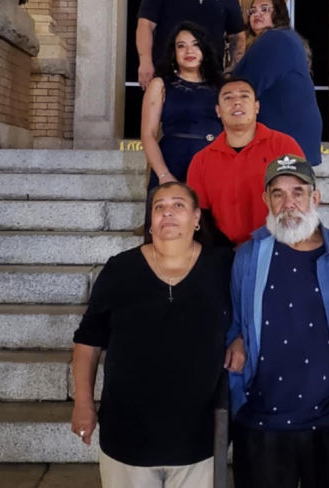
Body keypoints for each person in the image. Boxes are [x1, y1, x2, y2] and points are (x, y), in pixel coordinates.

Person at [224, 154, 329, 488]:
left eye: (298, 192)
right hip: (261, 427)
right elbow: (236, 328)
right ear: (265, 200)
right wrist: (239, 406)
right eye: (278, 193)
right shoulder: (249, 257)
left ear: (315, 197)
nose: (288, 203)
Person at [71, 182, 234, 488]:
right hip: (127, 436)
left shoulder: (223, 266)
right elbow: (88, 340)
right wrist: (83, 402)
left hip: (197, 440)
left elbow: (248, 320)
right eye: (159, 207)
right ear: (150, 220)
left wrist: (239, 340)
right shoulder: (120, 269)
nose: (167, 213)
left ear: (197, 217)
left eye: (178, 205)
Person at [186, 78, 304, 247]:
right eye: (228, 98)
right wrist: (228, 252)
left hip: (280, 247)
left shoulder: (284, 146)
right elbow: (200, 215)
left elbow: (301, 200)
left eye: (244, 96)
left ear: (257, 107)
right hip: (225, 253)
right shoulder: (201, 160)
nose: (237, 102)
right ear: (218, 111)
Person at [141, 22, 224, 238]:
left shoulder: (221, 85)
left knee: (211, 236)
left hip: (212, 165)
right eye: (181, 46)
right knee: (168, 235)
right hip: (173, 162)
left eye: (195, 45)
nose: (189, 51)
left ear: (204, 50)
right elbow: (148, 135)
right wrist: (163, 174)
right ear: (173, 52)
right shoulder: (160, 84)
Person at [233, 0, 323, 166]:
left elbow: (248, 87)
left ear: (279, 13)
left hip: (283, 132)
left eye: (264, 9)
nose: (256, 14)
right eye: (252, 11)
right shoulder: (286, 38)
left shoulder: (275, 39)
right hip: (294, 133)